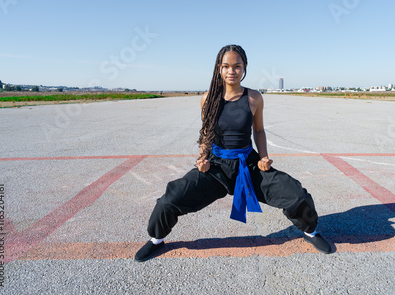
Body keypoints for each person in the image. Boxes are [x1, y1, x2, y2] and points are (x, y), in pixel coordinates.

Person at [135, 44, 331, 262]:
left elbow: (258, 130)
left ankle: (310, 232)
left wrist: (263, 157)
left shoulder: (254, 98)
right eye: (226, 66)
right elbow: (207, 133)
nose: (231, 71)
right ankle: (156, 239)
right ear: (219, 68)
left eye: (237, 66)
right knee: (169, 200)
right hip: (216, 166)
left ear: (244, 67)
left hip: (248, 164)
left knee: (297, 194)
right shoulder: (208, 98)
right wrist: (203, 158)